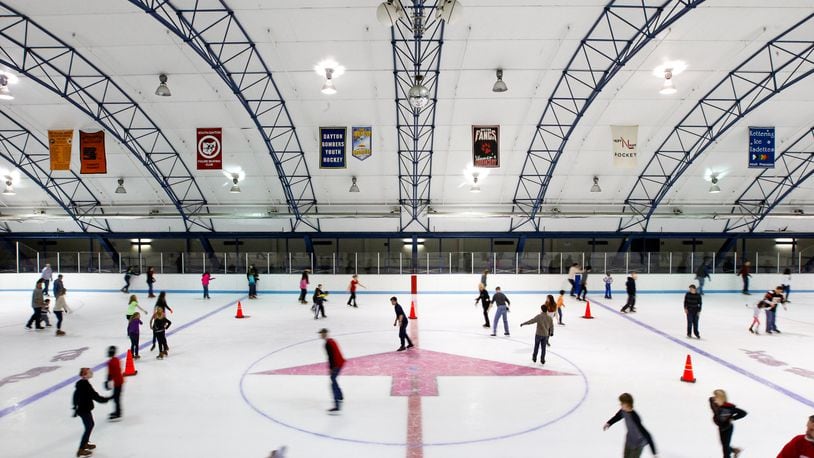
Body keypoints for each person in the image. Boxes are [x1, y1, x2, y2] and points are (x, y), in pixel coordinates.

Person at [603, 393, 657, 458]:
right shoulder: (623, 411)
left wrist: (654, 453)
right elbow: (617, 417)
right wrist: (609, 423)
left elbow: (647, 435)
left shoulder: (635, 417)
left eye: (622, 403)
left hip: (638, 444)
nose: (620, 405)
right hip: (629, 440)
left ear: (627, 404)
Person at [72, 367, 110, 457]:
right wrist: (105, 399)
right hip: (83, 409)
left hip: (84, 409)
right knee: (89, 426)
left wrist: (74, 407)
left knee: (90, 425)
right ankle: (81, 449)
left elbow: (75, 395)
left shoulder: (82, 384)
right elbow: (94, 395)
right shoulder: (85, 385)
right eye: (89, 372)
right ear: (85, 375)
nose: (91, 373)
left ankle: (85, 443)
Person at [709, 389, 747, 458]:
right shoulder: (715, 405)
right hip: (721, 428)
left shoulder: (729, 408)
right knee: (724, 445)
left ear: (721, 398)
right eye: (714, 397)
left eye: (716, 398)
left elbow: (743, 413)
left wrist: (733, 418)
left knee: (725, 449)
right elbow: (710, 400)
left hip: (728, 428)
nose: (714, 399)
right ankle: (735, 450)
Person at [319, 328, 345, 413]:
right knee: (333, 380)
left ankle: (337, 405)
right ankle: (340, 395)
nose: (320, 335)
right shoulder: (331, 341)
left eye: (322, 333)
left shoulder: (327, 344)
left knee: (332, 382)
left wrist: (331, 368)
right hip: (340, 362)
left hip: (336, 364)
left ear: (325, 334)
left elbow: (331, 357)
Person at [105, 346, 125, 420]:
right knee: (117, 398)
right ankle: (118, 411)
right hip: (120, 381)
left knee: (116, 398)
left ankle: (118, 413)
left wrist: (107, 381)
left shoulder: (110, 362)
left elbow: (110, 373)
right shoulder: (117, 360)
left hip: (117, 382)